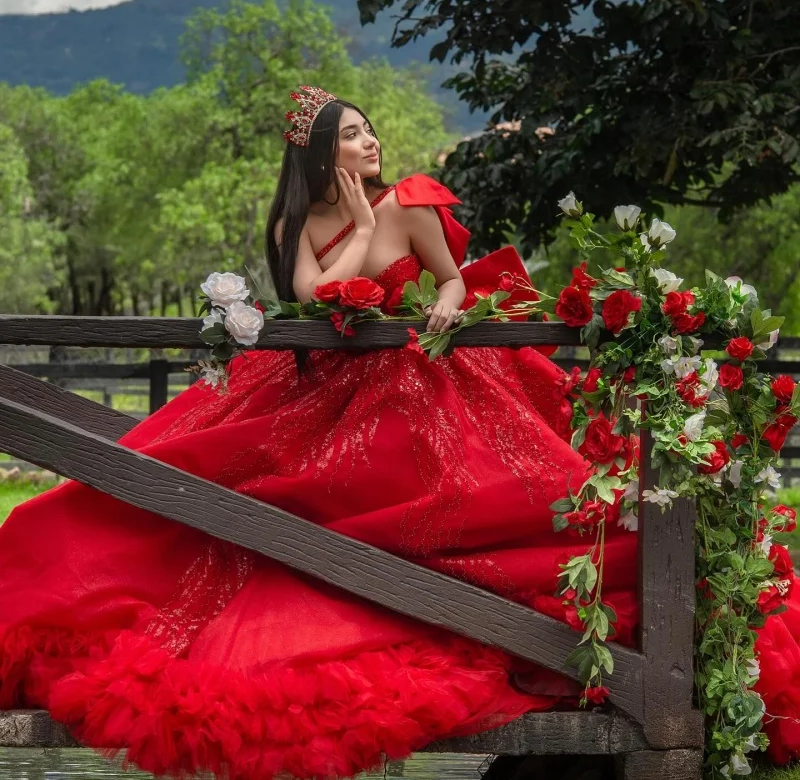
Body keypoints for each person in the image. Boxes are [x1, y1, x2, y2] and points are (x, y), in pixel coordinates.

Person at [0, 86, 796, 780]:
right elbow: (315, 292)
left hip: (416, 386)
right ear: (318, 153)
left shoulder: (412, 201)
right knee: (196, 495)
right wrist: (350, 218)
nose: (370, 140)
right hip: (321, 392)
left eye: (370, 129)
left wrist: (446, 293)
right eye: (352, 133)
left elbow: (450, 278)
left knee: (523, 500)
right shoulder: (293, 222)